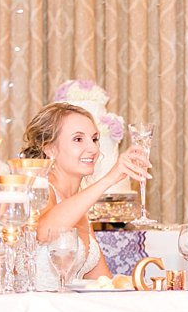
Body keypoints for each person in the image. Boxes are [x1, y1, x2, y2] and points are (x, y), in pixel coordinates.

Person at [24, 102, 150, 284]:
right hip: (35, 308)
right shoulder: (38, 187)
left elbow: (103, 281)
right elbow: (44, 231)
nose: (93, 149)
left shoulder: (79, 205)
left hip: (68, 308)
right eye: (78, 139)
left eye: (94, 139)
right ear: (49, 148)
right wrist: (110, 178)